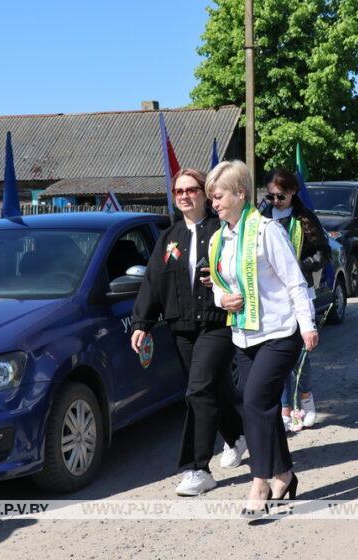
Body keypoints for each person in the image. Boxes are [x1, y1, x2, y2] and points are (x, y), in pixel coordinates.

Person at [206, 160, 317, 517]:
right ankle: (284, 474)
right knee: (264, 407)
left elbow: (294, 280)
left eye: (218, 195)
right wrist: (223, 299)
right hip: (244, 333)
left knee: (254, 402)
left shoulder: (267, 231)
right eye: (211, 197)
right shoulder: (220, 237)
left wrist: (307, 324)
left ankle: (261, 481)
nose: (214, 203)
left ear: (241, 194)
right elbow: (218, 287)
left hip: (280, 331)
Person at [131, 168, 246, 497]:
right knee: (214, 389)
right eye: (179, 191)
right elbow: (153, 282)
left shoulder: (223, 231)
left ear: (205, 194)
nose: (184, 196)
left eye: (191, 190)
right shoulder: (169, 237)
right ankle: (237, 436)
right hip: (182, 328)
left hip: (218, 323)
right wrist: (142, 323)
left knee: (197, 392)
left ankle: (196, 468)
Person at [260, 169, 331, 432]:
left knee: (301, 352)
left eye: (280, 196)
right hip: (271, 297)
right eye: (270, 196)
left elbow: (324, 253)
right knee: (279, 354)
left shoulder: (304, 218)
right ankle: (285, 408)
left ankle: (306, 398)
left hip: (300, 291)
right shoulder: (262, 217)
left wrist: (297, 266)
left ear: (292, 192)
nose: (275, 201)